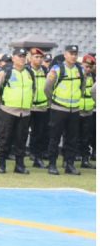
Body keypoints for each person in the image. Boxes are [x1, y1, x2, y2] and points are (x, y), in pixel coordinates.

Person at [0, 47, 34, 174]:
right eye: (19, 56)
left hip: (25, 112)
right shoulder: (6, 71)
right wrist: (0, 101)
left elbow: (33, 90)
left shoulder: (29, 72)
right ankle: (2, 164)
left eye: (24, 56)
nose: (22, 59)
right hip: (8, 111)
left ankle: (19, 165)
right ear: (13, 58)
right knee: (4, 138)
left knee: (21, 140)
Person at [45, 44, 84, 175]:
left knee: (72, 139)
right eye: (71, 53)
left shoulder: (80, 70)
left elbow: (82, 87)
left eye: (75, 54)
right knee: (54, 138)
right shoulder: (57, 69)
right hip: (58, 109)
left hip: (74, 110)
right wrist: (53, 101)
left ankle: (69, 164)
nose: (73, 56)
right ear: (65, 54)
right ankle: (52, 164)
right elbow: (47, 88)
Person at [28, 48, 50, 169]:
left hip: (41, 107)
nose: (39, 59)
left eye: (41, 57)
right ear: (30, 58)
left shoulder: (46, 71)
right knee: (21, 133)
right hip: (27, 107)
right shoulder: (26, 70)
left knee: (40, 134)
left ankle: (38, 158)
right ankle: (17, 157)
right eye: (36, 57)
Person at [78, 53, 95, 168]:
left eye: (90, 67)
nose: (87, 69)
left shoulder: (93, 77)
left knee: (86, 137)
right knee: (72, 136)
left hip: (88, 111)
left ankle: (85, 160)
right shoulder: (76, 76)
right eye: (86, 66)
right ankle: (68, 159)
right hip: (76, 110)